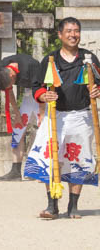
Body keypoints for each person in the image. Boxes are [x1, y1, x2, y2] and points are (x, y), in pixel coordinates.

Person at [26, 17, 100, 219]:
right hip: (55, 116)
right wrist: (43, 95)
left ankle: (73, 205)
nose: (73, 34)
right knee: (52, 158)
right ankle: (52, 205)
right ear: (60, 34)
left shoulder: (89, 58)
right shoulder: (50, 60)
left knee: (77, 159)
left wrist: (97, 90)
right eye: (68, 31)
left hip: (82, 116)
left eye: (76, 31)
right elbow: (37, 86)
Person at [0, 53, 42, 181]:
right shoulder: (1, 68)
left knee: (44, 132)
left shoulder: (32, 66)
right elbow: (8, 91)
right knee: (18, 130)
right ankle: (15, 171)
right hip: (27, 96)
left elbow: (42, 89)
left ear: (12, 75)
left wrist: (42, 114)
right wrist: (16, 113)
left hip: (40, 96)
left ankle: (41, 169)